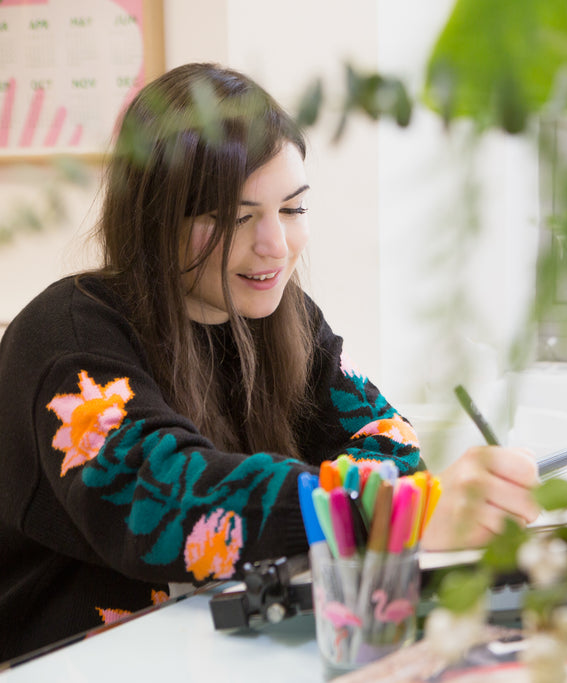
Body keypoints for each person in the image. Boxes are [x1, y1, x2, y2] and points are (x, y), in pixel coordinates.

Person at [0, 62, 539, 663]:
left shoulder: (284, 317)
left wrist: (368, 501)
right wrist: (380, 514)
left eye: (293, 209)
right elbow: (171, 502)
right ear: (153, 217)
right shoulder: (67, 341)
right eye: (236, 217)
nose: (275, 246)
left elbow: (388, 441)